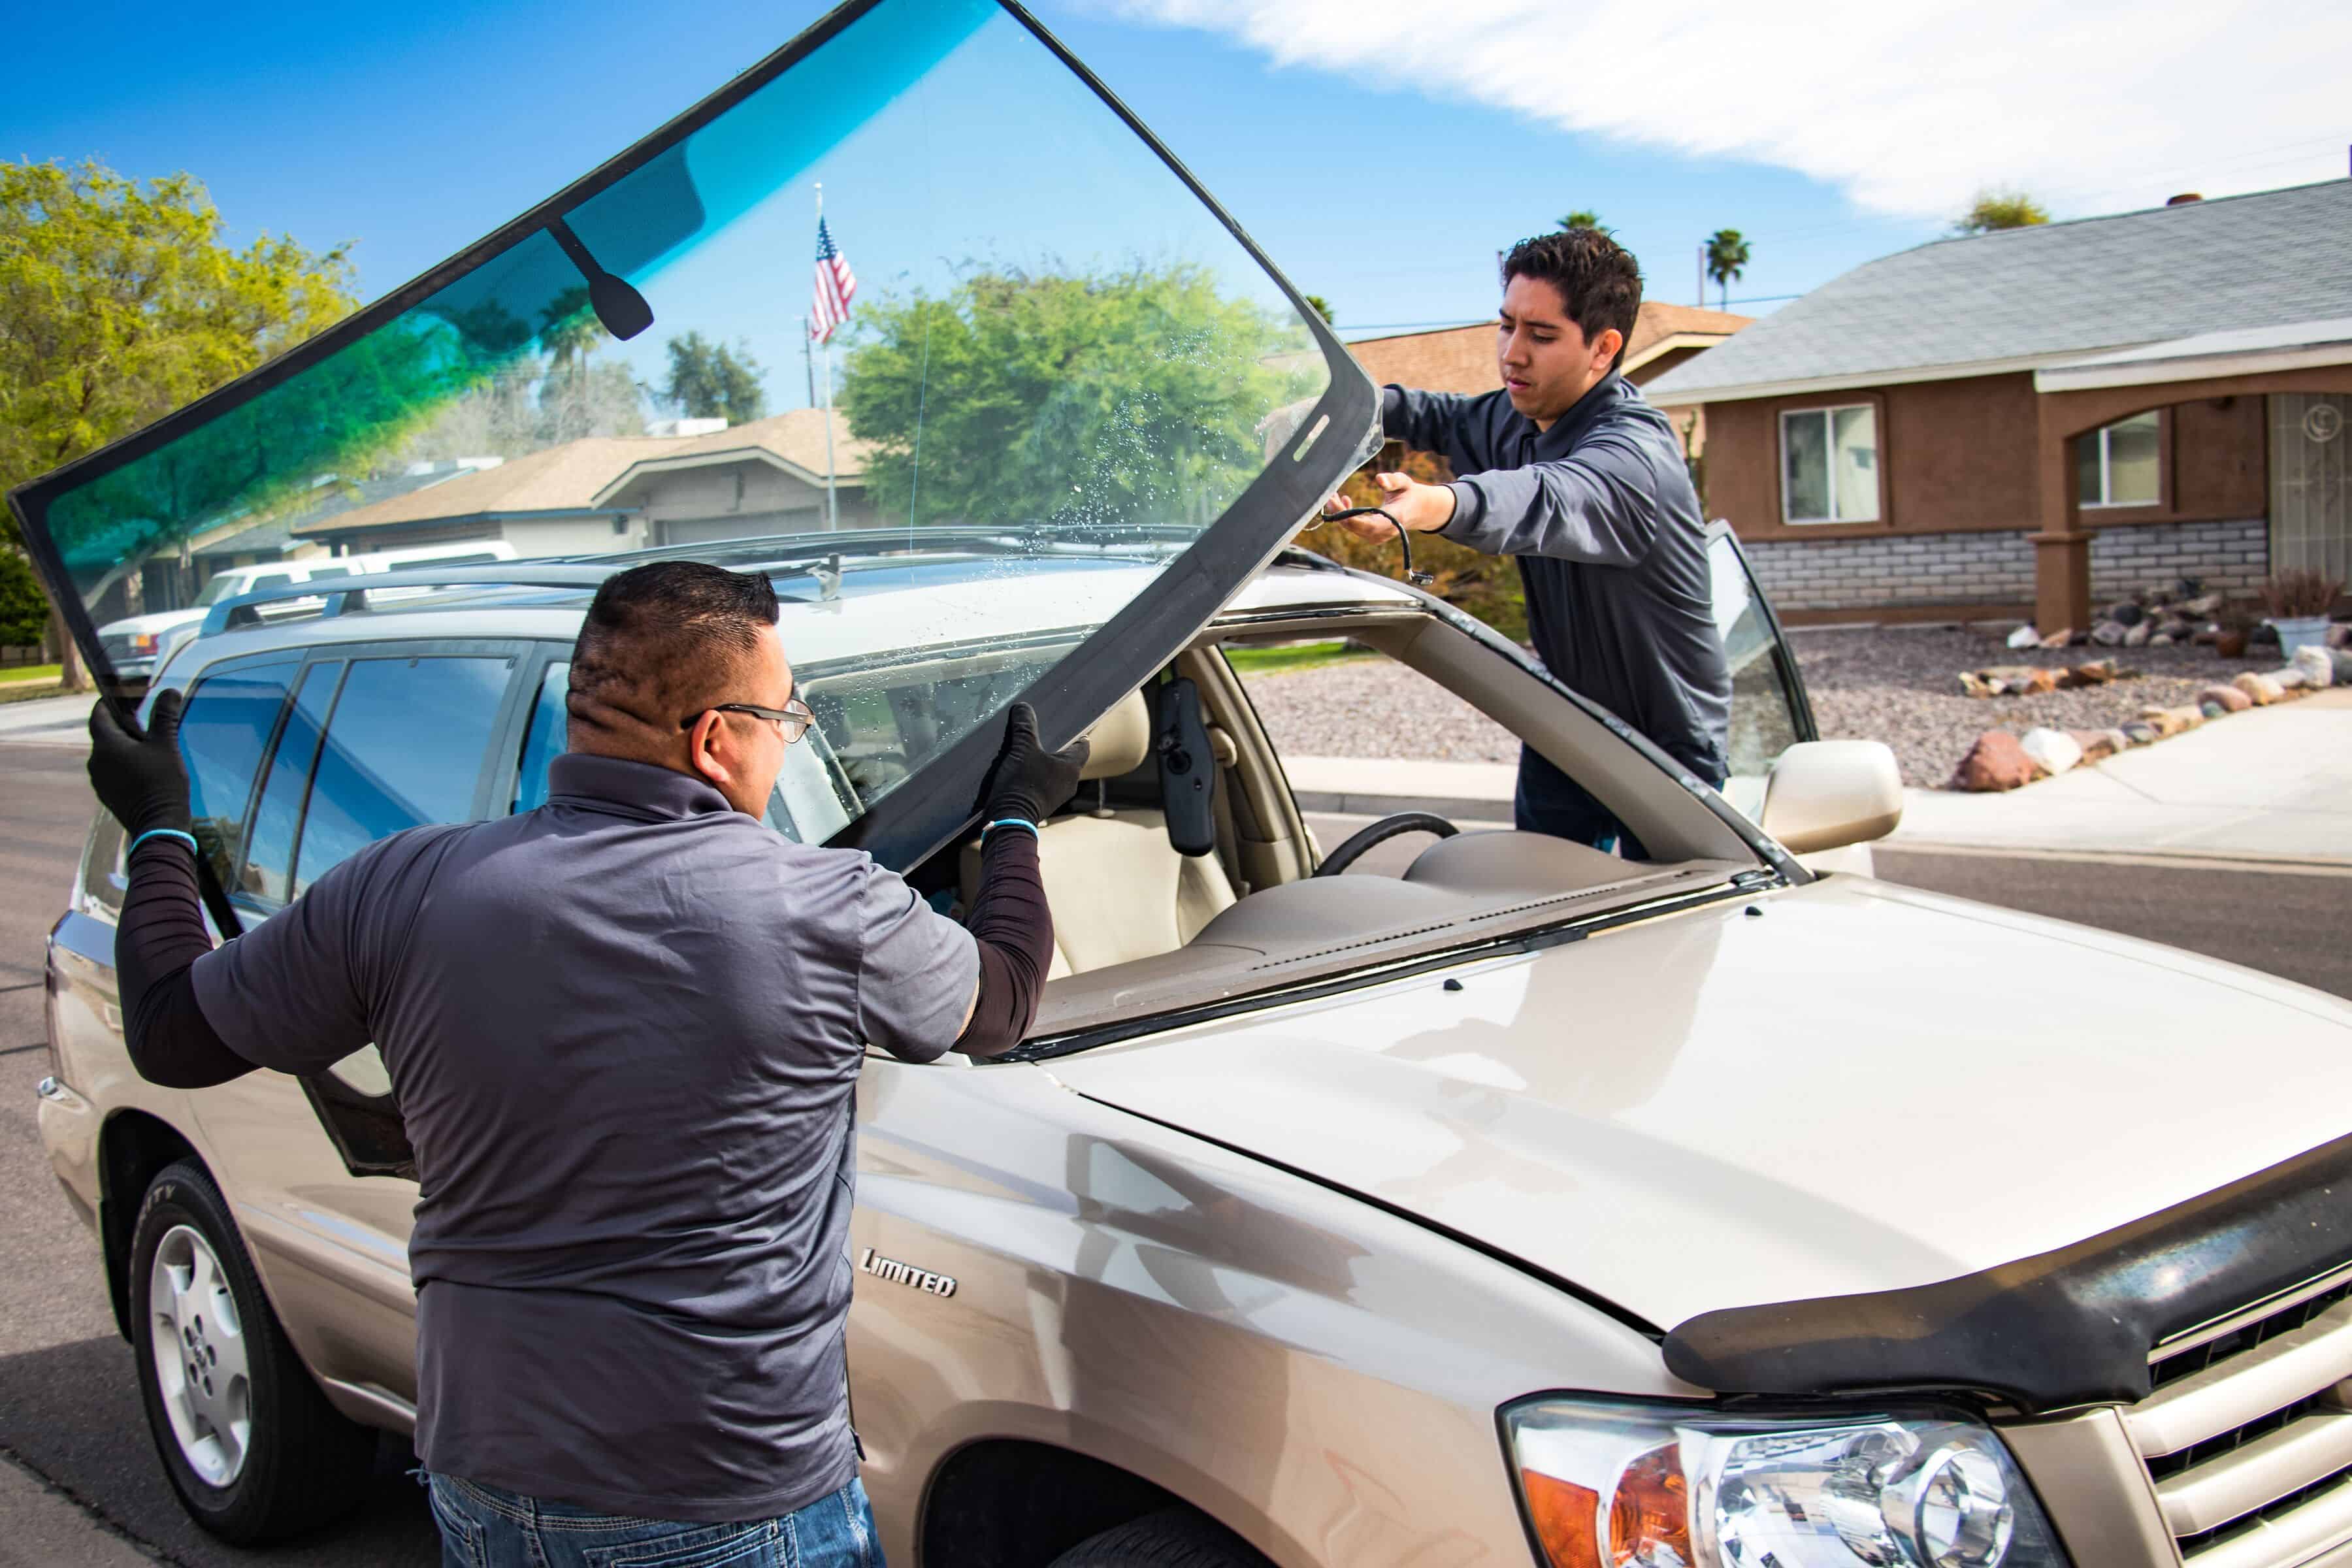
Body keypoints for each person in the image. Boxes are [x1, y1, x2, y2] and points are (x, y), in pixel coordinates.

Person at [85, 560, 1086, 1568]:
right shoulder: (827, 908)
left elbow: (171, 1029)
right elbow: (997, 1003)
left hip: (485, 1484)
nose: (789, 742)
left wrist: (160, 827)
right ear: (714, 739)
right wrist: (1013, 820)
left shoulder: (401, 886)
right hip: (730, 1500)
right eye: (787, 719)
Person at [1330, 228, 1731, 858]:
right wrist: (1327, 412)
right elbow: (1436, 415)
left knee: (1666, 941)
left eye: (1541, 336)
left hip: (1667, 749)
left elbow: (1546, 497)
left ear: (1603, 349)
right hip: (1564, 724)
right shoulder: (1516, 419)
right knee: (1544, 923)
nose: (1513, 353)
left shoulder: (1634, 454)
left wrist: (1433, 504)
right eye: (1506, 326)